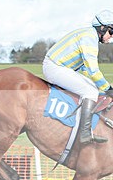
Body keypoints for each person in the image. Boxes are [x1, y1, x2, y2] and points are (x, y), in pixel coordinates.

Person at [42, 10, 113, 144]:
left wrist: (103, 87)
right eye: (111, 32)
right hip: (54, 67)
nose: (111, 37)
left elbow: (85, 69)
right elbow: (93, 70)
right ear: (102, 28)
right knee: (90, 91)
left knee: (94, 88)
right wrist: (108, 88)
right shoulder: (89, 38)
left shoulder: (89, 35)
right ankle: (84, 133)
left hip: (58, 66)